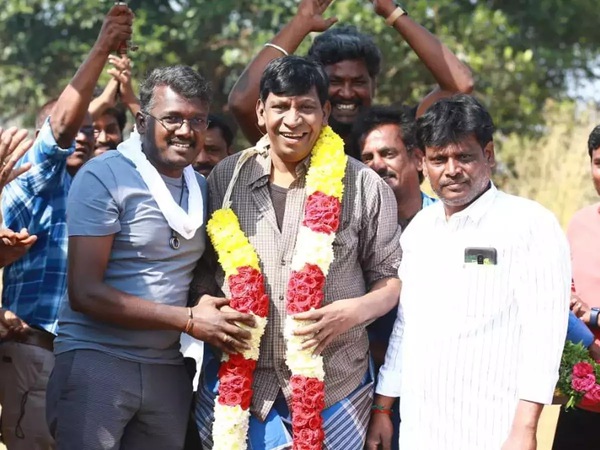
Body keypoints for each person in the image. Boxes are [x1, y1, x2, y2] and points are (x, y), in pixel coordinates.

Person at [194, 55, 401, 449]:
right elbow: (204, 270)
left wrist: (355, 311)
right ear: (260, 111)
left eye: (306, 107)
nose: (293, 119)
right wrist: (205, 305)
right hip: (241, 390)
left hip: (336, 390)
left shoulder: (364, 185)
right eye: (280, 106)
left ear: (324, 112)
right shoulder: (226, 178)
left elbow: (390, 279)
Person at [45, 64, 255, 450]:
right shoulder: (105, 176)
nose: (186, 130)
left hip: (165, 370)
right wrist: (190, 319)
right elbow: (85, 292)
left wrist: (204, 306)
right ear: (142, 120)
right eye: (172, 118)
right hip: (98, 360)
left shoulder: (203, 187)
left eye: (197, 120)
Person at [371, 94, 570, 450]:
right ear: (422, 162)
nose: (451, 170)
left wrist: (525, 429)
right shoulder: (420, 230)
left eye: (464, 156)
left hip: (492, 431)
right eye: (438, 159)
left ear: (488, 155)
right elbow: (407, 325)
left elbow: (545, 336)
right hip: (421, 430)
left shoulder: (529, 224)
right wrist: (383, 407)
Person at [0, 6, 134, 449]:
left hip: (93, 363)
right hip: (36, 358)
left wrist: (120, 86)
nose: (83, 135)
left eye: (92, 130)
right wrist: (100, 47)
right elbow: (63, 124)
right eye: (74, 127)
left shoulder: (96, 192)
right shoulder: (29, 186)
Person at [228, 0, 473, 149]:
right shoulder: (294, 135)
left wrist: (392, 11)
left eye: (357, 82)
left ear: (373, 85)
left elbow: (460, 85)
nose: (346, 93)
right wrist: (301, 22)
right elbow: (242, 102)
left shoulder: (395, 134)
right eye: (334, 82)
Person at [351, 105, 436, 450]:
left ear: (418, 159)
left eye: (388, 153)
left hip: (436, 391)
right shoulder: (346, 232)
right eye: (366, 156)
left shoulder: (450, 224)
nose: (376, 165)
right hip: (365, 391)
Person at [552, 124, 600, 450]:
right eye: (598, 162)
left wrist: (592, 316)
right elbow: (567, 289)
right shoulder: (580, 223)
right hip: (583, 399)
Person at [89, 54, 140, 156]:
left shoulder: (131, 165)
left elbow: (157, 135)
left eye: (111, 130)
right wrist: (104, 101)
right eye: (94, 131)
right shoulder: (62, 166)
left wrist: (130, 99)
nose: (103, 139)